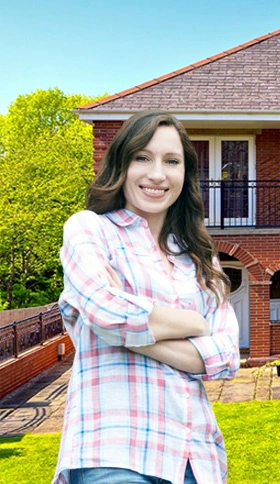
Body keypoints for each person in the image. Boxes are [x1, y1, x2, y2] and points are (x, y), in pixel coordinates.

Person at [52, 110, 240, 484]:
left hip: (195, 458)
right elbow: (107, 312)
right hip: (115, 449)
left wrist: (124, 326)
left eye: (171, 161)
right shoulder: (90, 229)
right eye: (143, 157)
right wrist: (193, 324)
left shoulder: (199, 257)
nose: (157, 174)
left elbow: (226, 355)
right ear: (122, 164)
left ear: (185, 174)